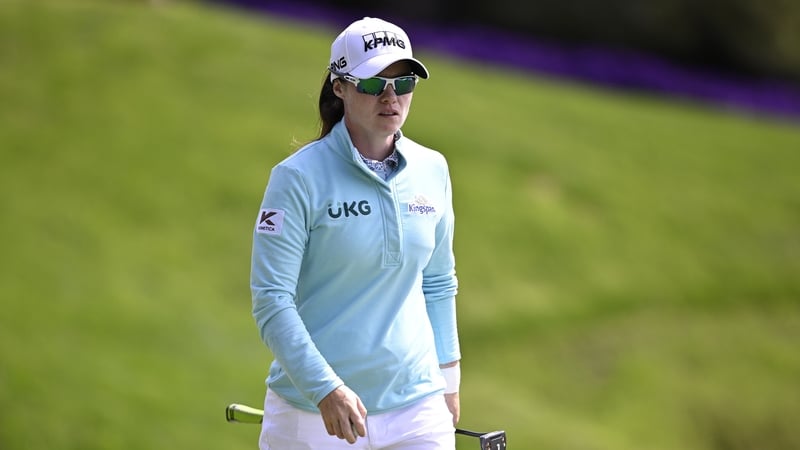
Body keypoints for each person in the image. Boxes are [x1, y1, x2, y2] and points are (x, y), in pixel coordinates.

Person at [250, 16, 462, 449]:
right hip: (316, 414)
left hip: (417, 407)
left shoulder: (433, 168)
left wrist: (449, 380)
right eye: (372, 84)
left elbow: (438, 282)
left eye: (403, 83)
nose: (391, 96)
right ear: (340, 87)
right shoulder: (296, 179)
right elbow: (272, 300)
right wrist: (325, 389)